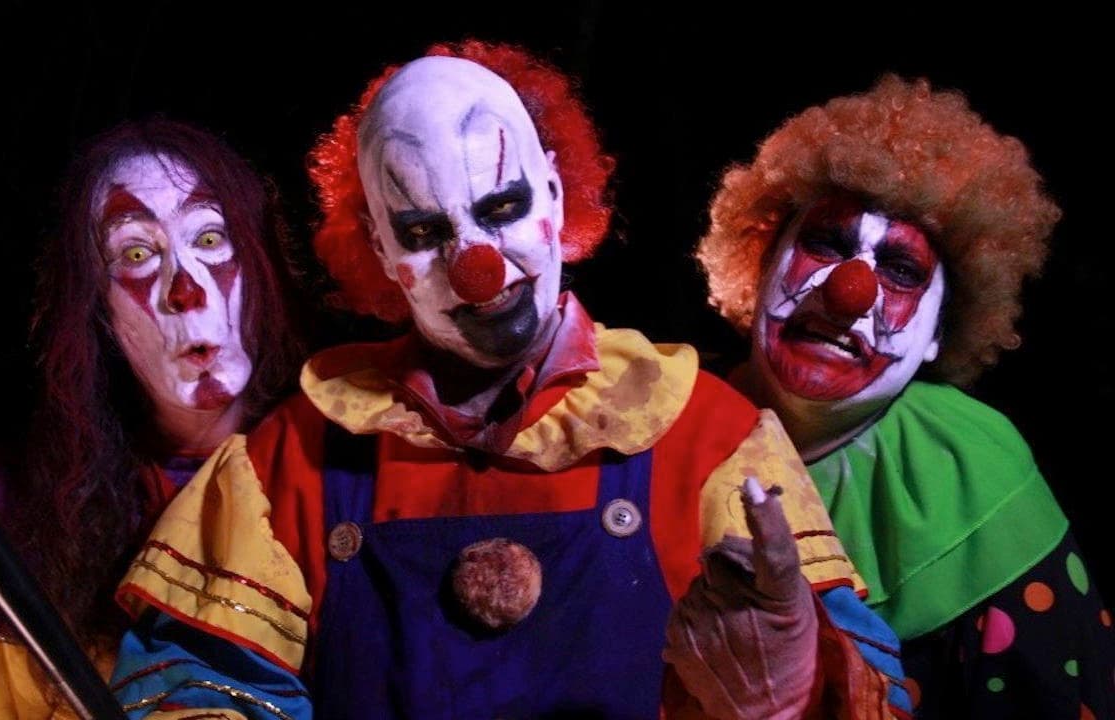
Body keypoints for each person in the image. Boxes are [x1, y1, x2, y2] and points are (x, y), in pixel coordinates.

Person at [111, 42, 902, 719]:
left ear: (554, 193)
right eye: (424, 231)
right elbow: (194, 684)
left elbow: (876, 694)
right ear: (380, 249)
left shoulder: (709, 436)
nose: (477, 266)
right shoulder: (291, 460)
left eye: (502, 206)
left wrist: (796, 675)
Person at [696, 75, 1114, 718]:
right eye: (825, 243)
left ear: (939, 332)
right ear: (761, 260)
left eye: (900, 270)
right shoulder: (660, 407)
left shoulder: (973, 469)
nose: (848, 292)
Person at [0, 118, 304, 719]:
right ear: (100, 314)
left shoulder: (339, 465)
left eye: (211, 238)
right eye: (137, 253)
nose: (185, 289)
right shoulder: (3, 528)